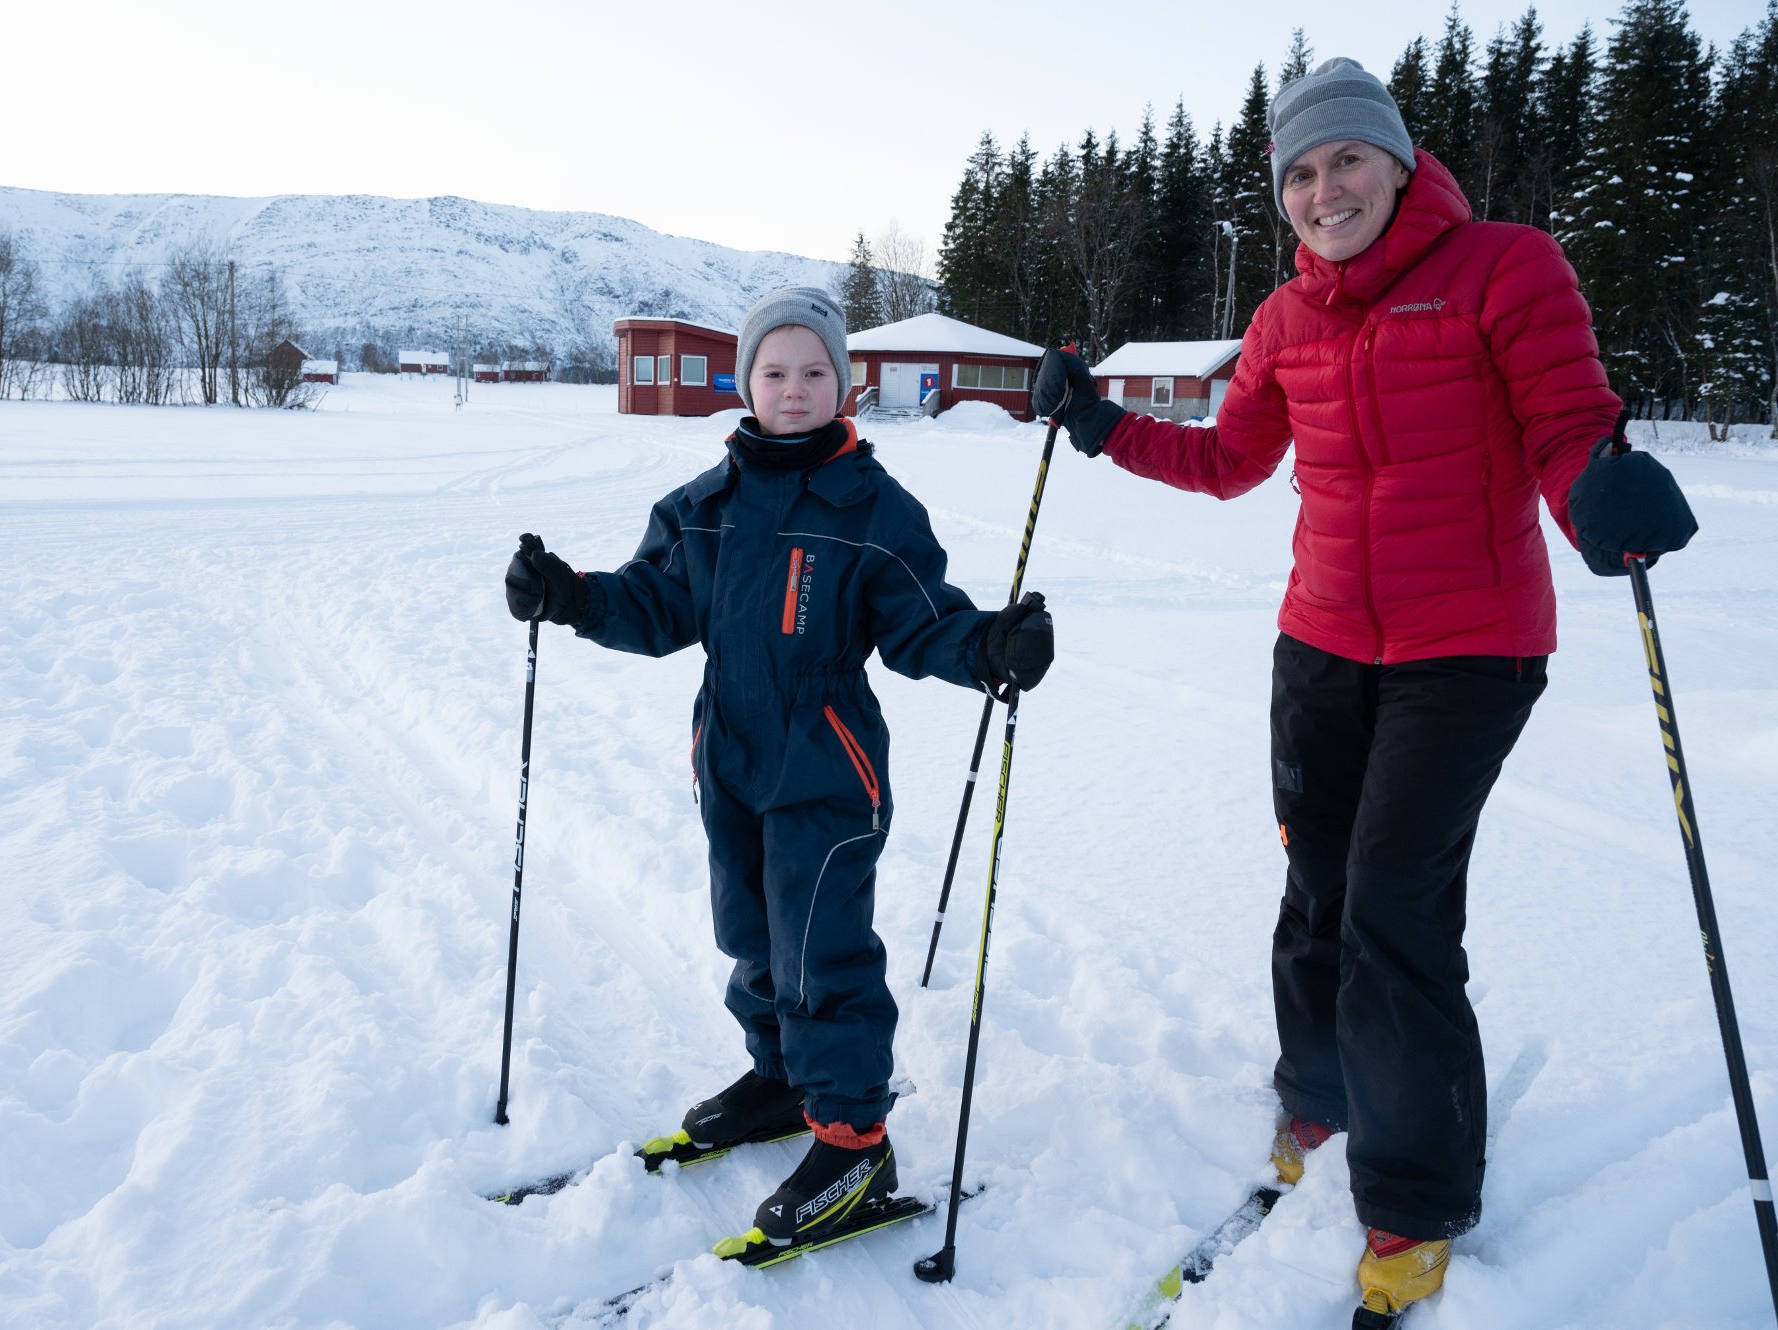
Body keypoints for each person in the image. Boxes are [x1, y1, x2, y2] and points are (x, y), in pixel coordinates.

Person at [1033, 59, 1696, 1320]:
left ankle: (1414, 1196)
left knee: (1395, 910)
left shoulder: (1505, 268)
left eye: (1344, 159)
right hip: (1320, 644)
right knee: (1317, 889)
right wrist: (1104, 425)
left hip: (1468, 649)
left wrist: (1597, 488)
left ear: (1395, 162)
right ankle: (1320, 1098)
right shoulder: (1285, 319)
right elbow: (1229, 460)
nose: (1323, 189)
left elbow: (1564, 422)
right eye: (1298, 173)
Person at [504, 286, 1054, 1253]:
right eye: (774, 371)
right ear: (745, 383)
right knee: (751, 931)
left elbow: (923, 620)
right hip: (729, 753)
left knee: (820, 947)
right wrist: (572, 596)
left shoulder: (873, 507)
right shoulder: (702, 506)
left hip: (827, 762)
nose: (793, 389)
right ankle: (782, 1078)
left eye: (814, 372)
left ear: (842, 385)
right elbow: (655, 604)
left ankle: (854, 1138)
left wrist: (987, 648)